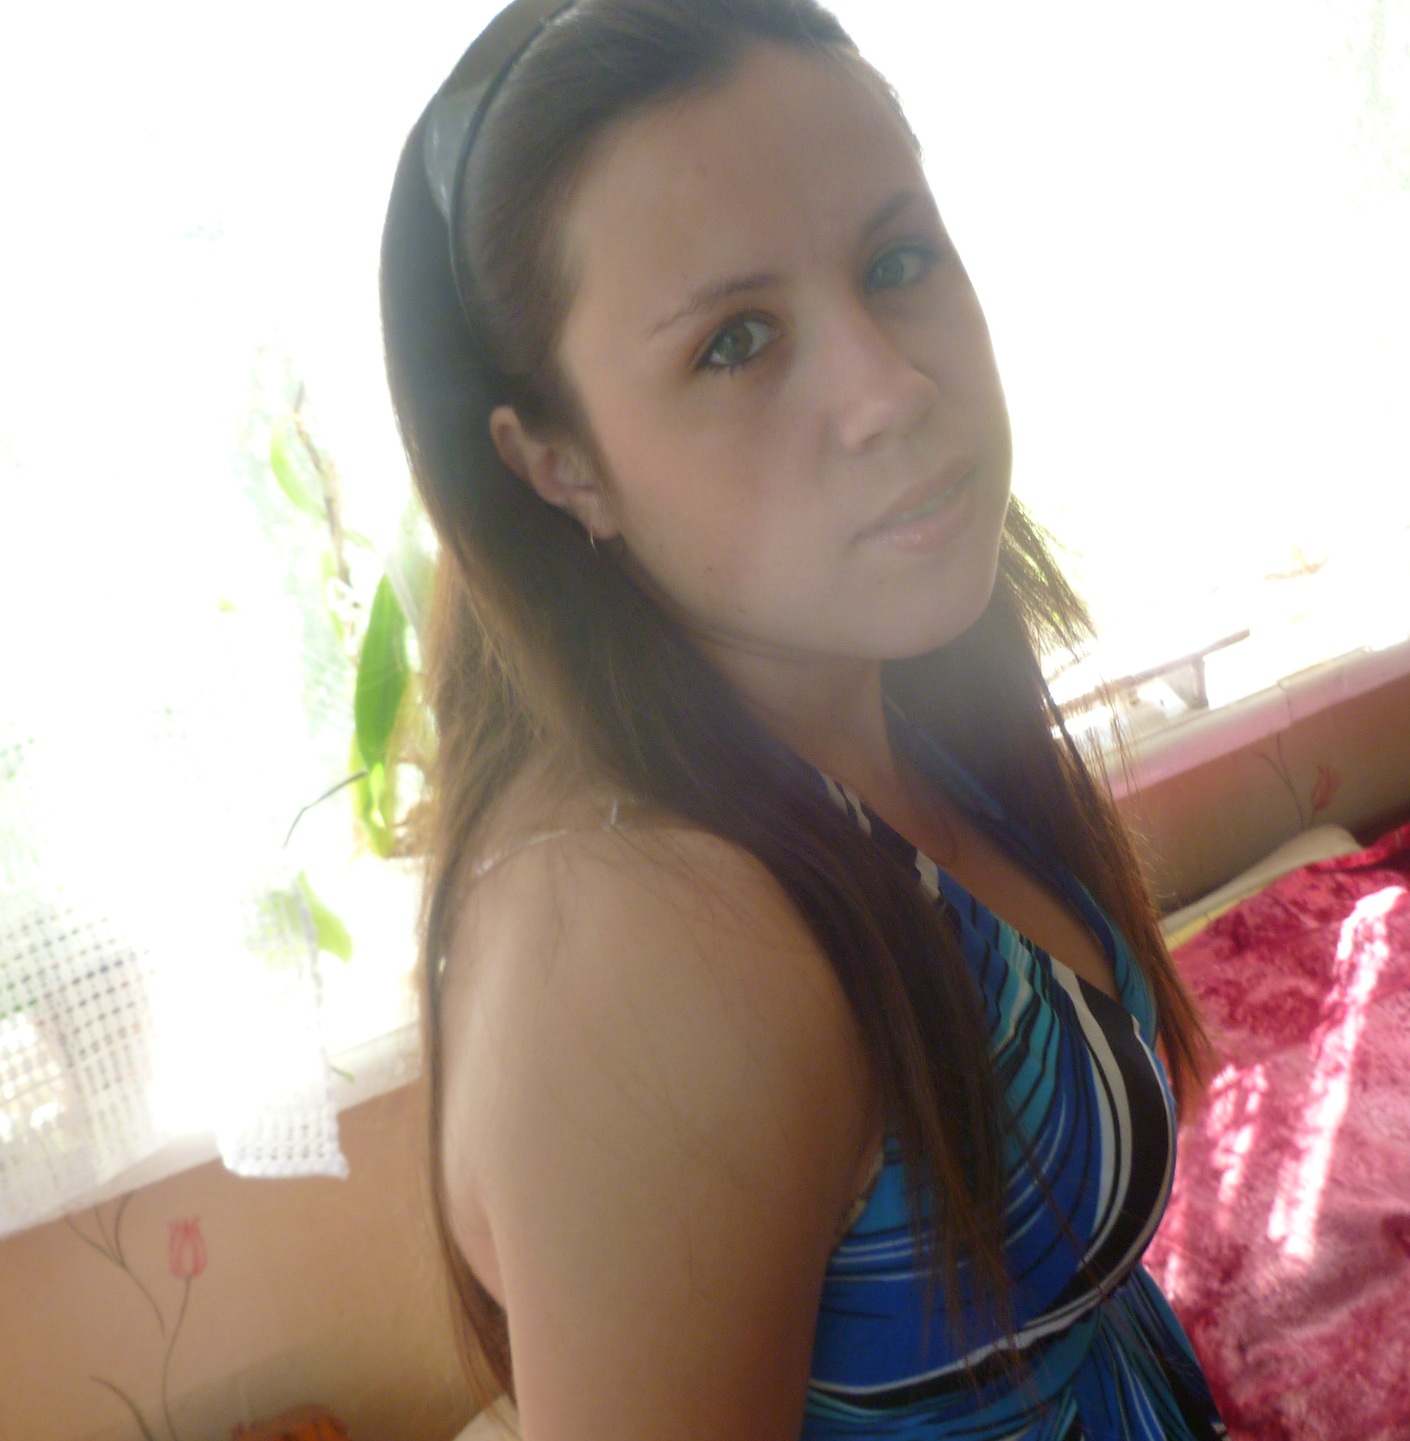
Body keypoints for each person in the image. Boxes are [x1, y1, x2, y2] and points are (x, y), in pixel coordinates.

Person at [380, 0, 1224, 1433]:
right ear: (560, 463)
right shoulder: (649, 953)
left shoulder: (885, 674)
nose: (891, 390)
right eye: (736, 342)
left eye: (897, 261)